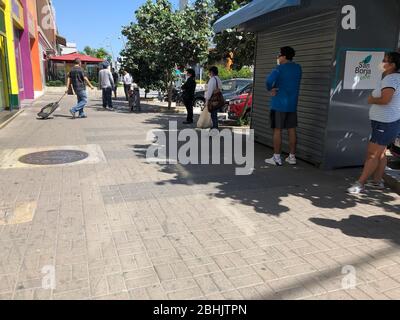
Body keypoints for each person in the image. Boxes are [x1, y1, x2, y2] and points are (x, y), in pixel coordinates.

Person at [348, 52, 400, 194]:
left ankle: (360, 183)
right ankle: (377, 182)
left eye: (385, 60)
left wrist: (371, 99)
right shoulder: (394, 78)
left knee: (372, 154)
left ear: (392, 65)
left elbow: (385, 100)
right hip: (386, 121)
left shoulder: (390, 80)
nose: (382, 62)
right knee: (381, 153)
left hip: (385, 122)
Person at [265, 46, 302, 166]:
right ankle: (292, 157)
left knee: (277, 130)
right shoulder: (298, 68)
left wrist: (271, 89)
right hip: (292, 104)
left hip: (279, 104)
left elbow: (268, 81)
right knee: (291, 129)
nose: (278, 57)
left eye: (279, 55)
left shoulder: (279, 69)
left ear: (284, 56)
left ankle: (276, 157)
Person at [206, 66, 223, 131]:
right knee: (214, 115)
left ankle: (214, 129)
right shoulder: (218, 79)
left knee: (213, 116)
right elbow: (220, 89)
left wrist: (207, 100)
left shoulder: (212, 79)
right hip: (218, 99)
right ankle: (214, 129)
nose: (209, 73)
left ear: (212, 72)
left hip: (213, 100)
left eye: (209, 72)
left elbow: (209, 91)